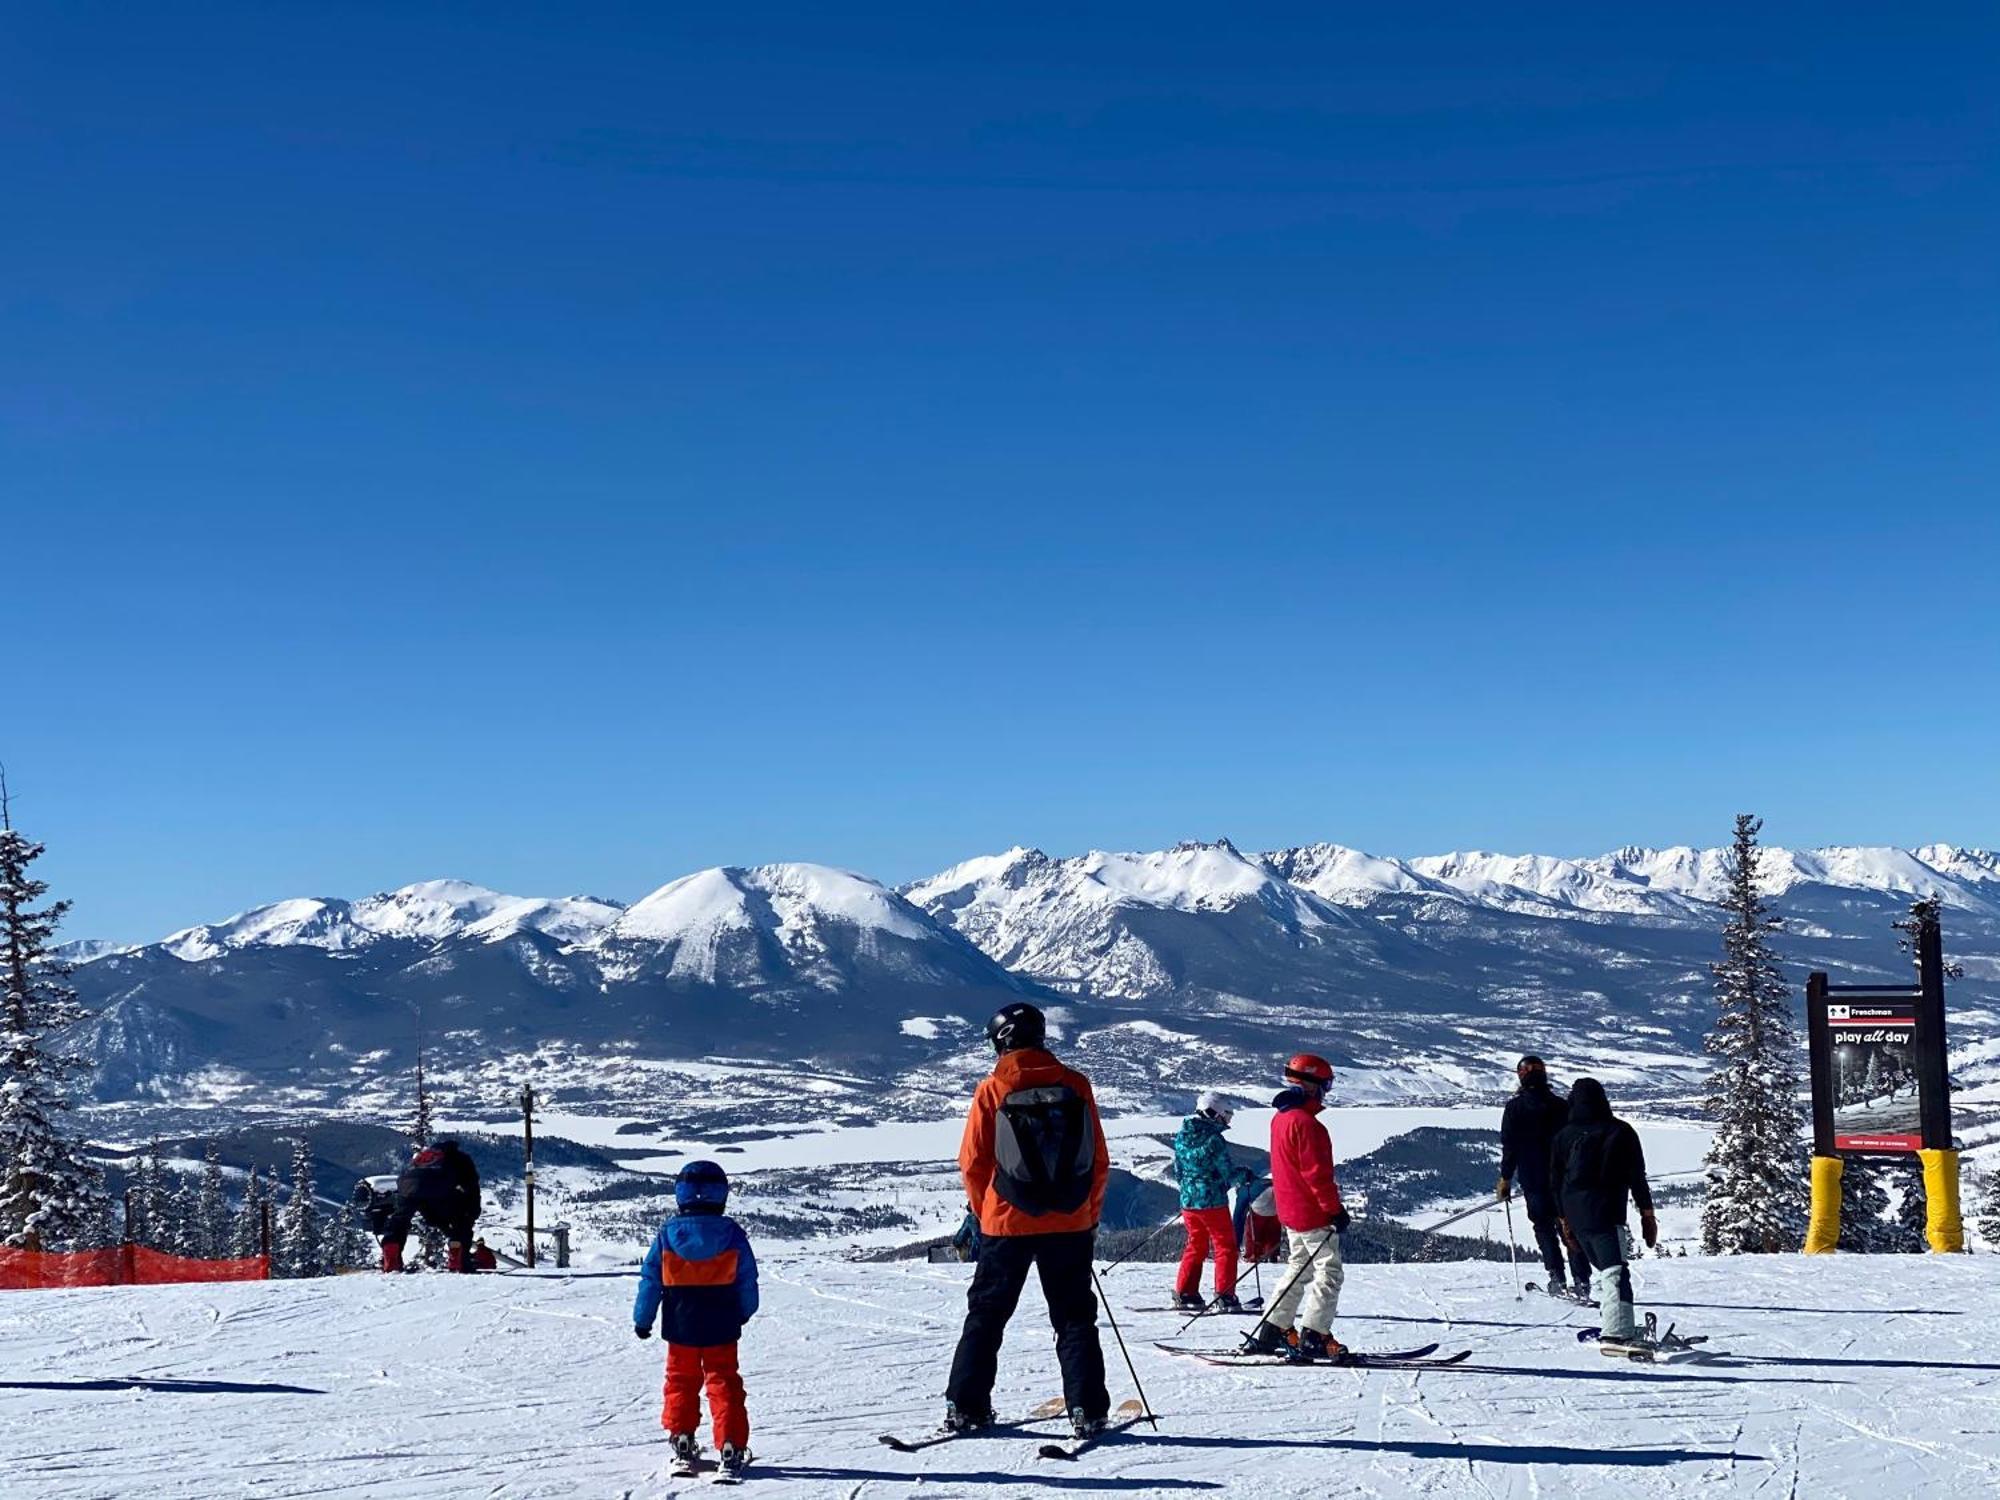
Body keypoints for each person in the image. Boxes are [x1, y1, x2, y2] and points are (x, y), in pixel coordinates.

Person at [945, 1001, 1111, 1439]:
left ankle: (966, 1406)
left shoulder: (991, 1090)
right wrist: (1088, 1214)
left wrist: (987, 1215)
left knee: (986, 1315)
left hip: (1006, 1224)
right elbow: (1097, 1160)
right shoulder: (1076, 1085)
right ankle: (1088, 1410)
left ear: (1000, 1043)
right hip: (1071, 1223)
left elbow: (972, 1163)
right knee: (1075, 1318)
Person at [634, 1160, 760, 1481]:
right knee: (724, 1382)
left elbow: (650, 1280)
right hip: (722, 1323)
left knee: (681, 1381)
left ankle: (683, 1441)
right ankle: (730, 1446)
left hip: (680, 1324)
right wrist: (744, 1311)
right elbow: (747, 1279)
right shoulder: (731, 1234)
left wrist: (643, 1319)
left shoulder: (668, 1234)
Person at [1246, 1054, 1351, 1363]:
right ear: (1312, 1086)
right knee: (1329, 1272)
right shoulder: (1308, 1125)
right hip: (1312, 1214)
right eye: (1326, 1085)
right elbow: (1317, 1176)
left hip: (1290, 1211)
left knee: (1298, 1269)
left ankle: (1274, 1328)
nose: (1327, 1092)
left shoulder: (1281, 1119)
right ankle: (1315, 1335)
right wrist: (1334, 1211)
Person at [1548, 1077, 1657, 1345]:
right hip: (1607, 1212)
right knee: (1615, 1272)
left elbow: (1554, 1181)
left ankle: (1615, 1320)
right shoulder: (1620, 1131)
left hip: (1574, 1213)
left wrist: (1563, 1220)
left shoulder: (1564, 1135)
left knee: (1606, 1270)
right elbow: (1637, 1177)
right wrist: (1647, 1214)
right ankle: (1617, 1332)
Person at [1497, 1055, 1592, 1298]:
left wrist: (1505, 1179)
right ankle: (1581, 1280)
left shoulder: (1514, 1108)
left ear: (1521, 1076)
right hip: (1564, 1180)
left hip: (1533, 1179)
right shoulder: (1561, 1106)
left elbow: (1510, 1147)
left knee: (1543, 1228)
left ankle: (1556, 1278)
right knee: (1569, 1227)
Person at [1171, 1091, 1252, 1311]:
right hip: (1213, 1202)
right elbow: (1228, 1173)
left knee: (1196, 1244)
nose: (1226, 1120)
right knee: (1225, 1246)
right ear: (1213, 1113)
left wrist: (1190, 1189)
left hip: (1188, 1201)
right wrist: (1245, 1175)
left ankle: (1185, 1292)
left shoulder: (1182, 1135)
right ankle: (1225, 1296)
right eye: (1225, 1115)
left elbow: (1177, 1170)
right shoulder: (1214, 1140)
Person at [377, 1140, 482, 1273]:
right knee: (460, 1221)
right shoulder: (459, 1158)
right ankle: (459, 1261)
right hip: (437, 1187)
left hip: (406, 1187)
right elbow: (471, 1185)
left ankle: (391, 1258)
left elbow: (408, 1179)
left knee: (399, 1222)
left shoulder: (424, 1157)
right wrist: (472, 1212)